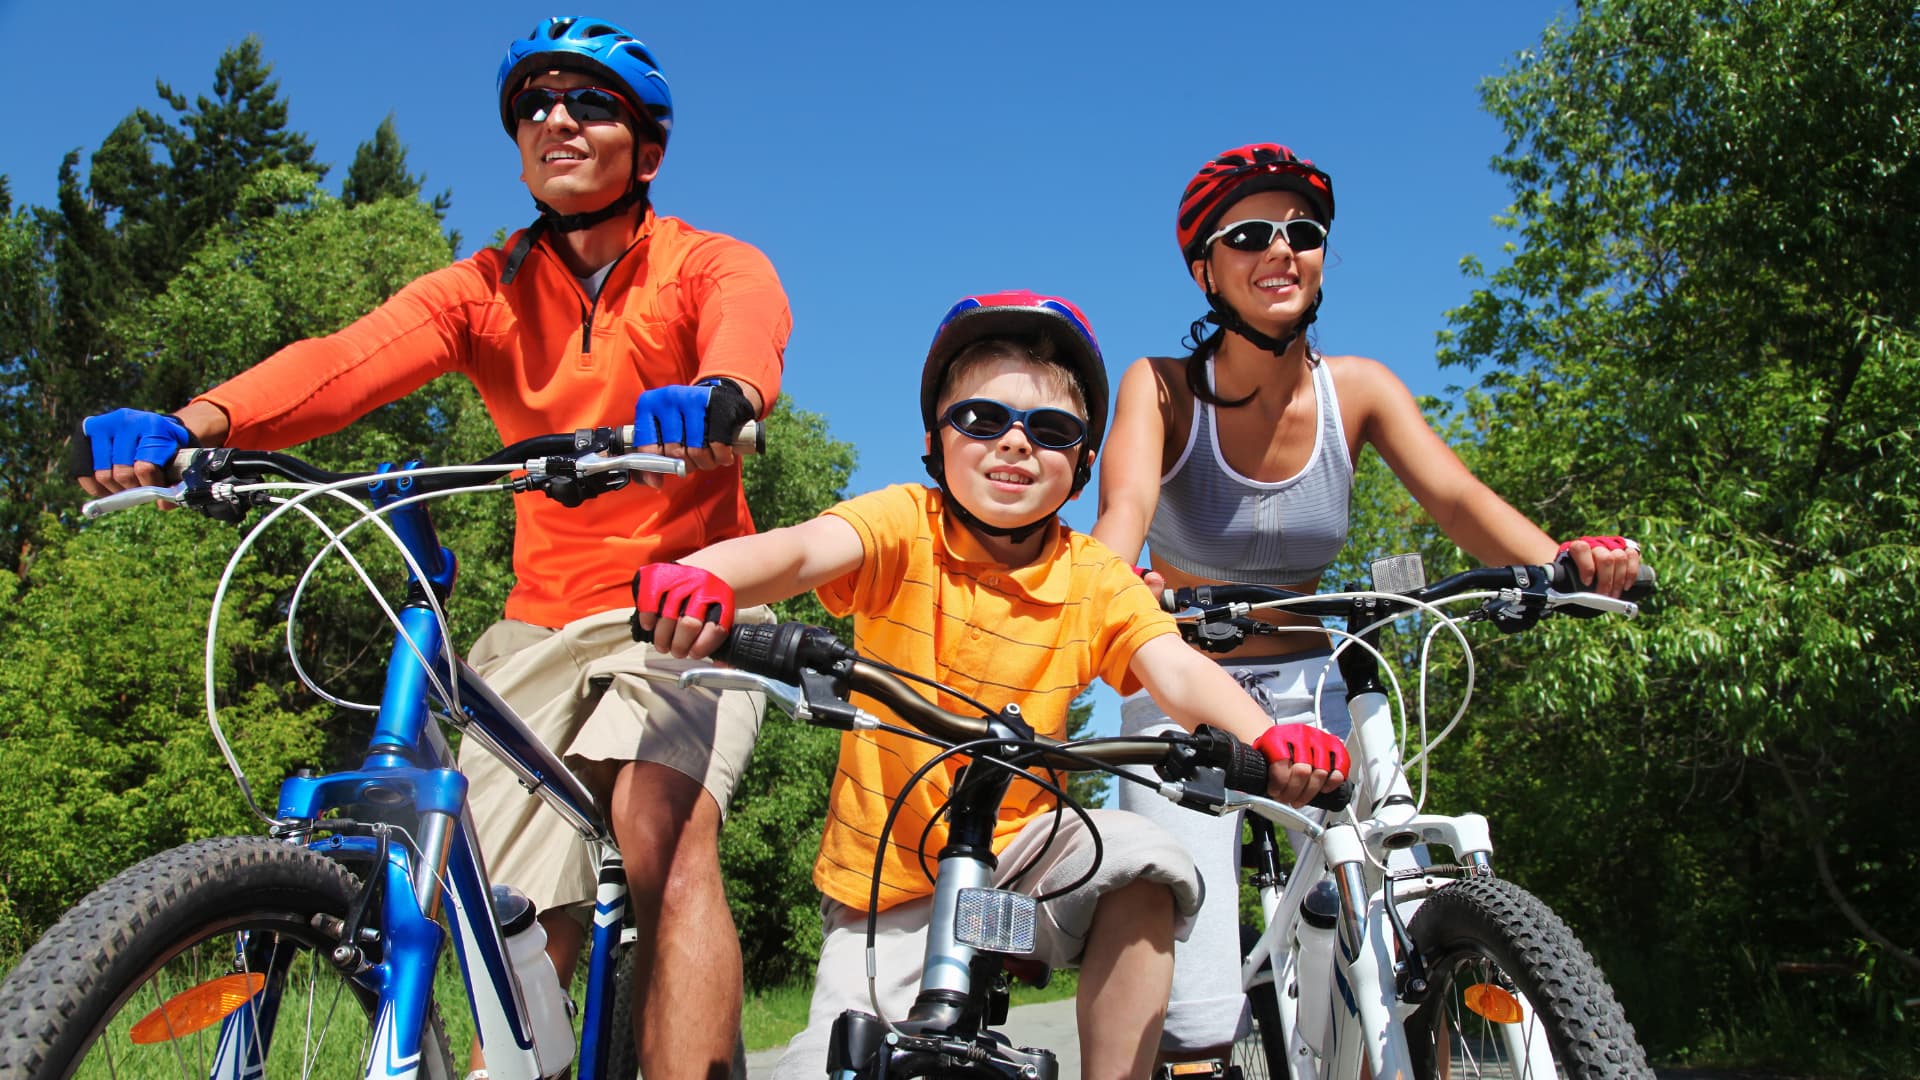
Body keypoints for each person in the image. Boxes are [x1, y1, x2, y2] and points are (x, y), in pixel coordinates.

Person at [75, 17, 792, 1079]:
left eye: (589, 103)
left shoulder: (702, 264)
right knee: (504, 914)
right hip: (539, 620)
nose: (556, 118)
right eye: (535, 104)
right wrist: (196, 425)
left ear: (646, 148)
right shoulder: (487, 287)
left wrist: (720, 399)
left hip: (684, 604)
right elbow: (345, 362)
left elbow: (749, 328)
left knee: (661, 831)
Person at [633, 291, 1348, 1080]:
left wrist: (1265, 736)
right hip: (893, 882)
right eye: (980, 420)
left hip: (1028, 858)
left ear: (1080, 465)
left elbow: (1173, 666)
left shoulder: (1094, 575)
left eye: (1050, 432)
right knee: (826, 1065)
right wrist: (700, 577)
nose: (1014, 444)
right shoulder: (904, 524)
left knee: (1149, 859)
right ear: (936, 443)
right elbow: (800, 552)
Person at [1089, 142, 1643, 1061]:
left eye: (1302, 233)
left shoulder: (1362, 389)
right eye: (1251, 234)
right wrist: (1105, 591)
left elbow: (1461, 501)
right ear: (1205, 270)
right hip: (1188, 685)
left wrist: (1567, 562)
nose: (1282, 250)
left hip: (1324, 684)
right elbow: (1124, 514)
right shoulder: (1161, 388)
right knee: (1187, 975)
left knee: (1394, 883)